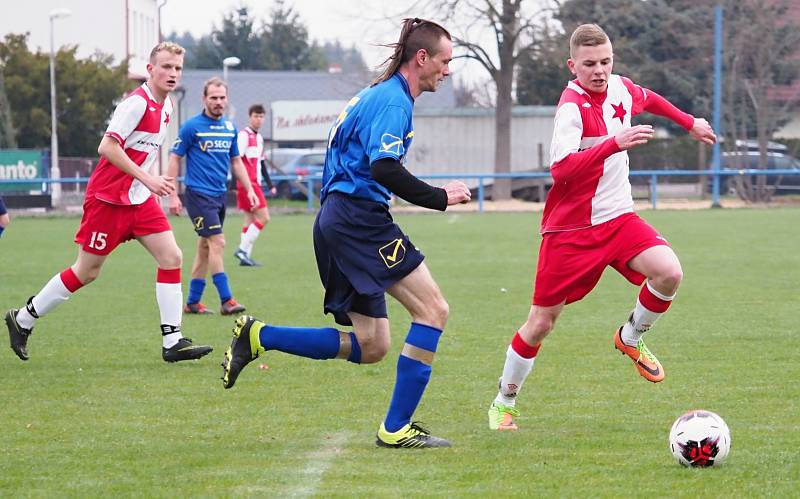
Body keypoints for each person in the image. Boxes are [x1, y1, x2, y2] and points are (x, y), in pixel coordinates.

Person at [220, 17, 471, 449]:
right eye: (445, 61)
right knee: (433, 310)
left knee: (372, 344)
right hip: (358, 220)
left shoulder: (376, 95)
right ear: (422, 57)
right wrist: (438, 197)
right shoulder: (394, 101)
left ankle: (259, 335)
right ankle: (396, 429)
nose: (447, 71)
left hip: (337, 219)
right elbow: (383, 167)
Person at [486, 23, 717, 431]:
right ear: (572, 65)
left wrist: (688, 122)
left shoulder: (621, 88)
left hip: (618, 217)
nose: (600, 70)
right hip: (570, 231)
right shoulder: (571, 108)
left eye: (606, 62)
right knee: (541, 323)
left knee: (669, 272)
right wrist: (613, 143)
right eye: (590, 64)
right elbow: (559, 170)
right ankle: (504, 402)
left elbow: (651, 99)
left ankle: (630, 337)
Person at [4, 42, 213, 363]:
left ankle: (173, 341)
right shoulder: (136, 104)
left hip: (139, 201)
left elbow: (144, 154)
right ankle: (23, 319)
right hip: (107, 200)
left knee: (171, 256)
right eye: (166, 67)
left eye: (178, 68)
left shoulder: (168, 106)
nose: (172, 73)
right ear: (150, 70)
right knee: (87, 271)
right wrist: (148, 179)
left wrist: (159, 185)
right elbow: (107, 147)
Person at [167, 77, 258, 316]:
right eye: (213, 98)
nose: (218, 102)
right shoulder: (191, 127)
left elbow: (236, 161)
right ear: (204, 99)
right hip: (198, 195)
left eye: (222, 98)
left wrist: (248, 189)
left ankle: (193, 302)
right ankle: (226, 300)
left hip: (219, 196)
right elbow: (175, 157)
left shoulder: (229, 128)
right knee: (218, 242)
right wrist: (173, 194)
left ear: (227, 99)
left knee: (205, 248)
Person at [233, 104, 276, 267]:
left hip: (254, 183)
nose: (259, 119)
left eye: (261, 116)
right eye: (256, 116)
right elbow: (236, 160)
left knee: (249, 220)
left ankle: (245, 258)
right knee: (264, 218)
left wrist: (270, 184)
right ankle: (242, 250)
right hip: (248, 184)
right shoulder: (243, 136)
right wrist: (235, 183)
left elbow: (262, 164)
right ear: (249, 117)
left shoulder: (259, 139)